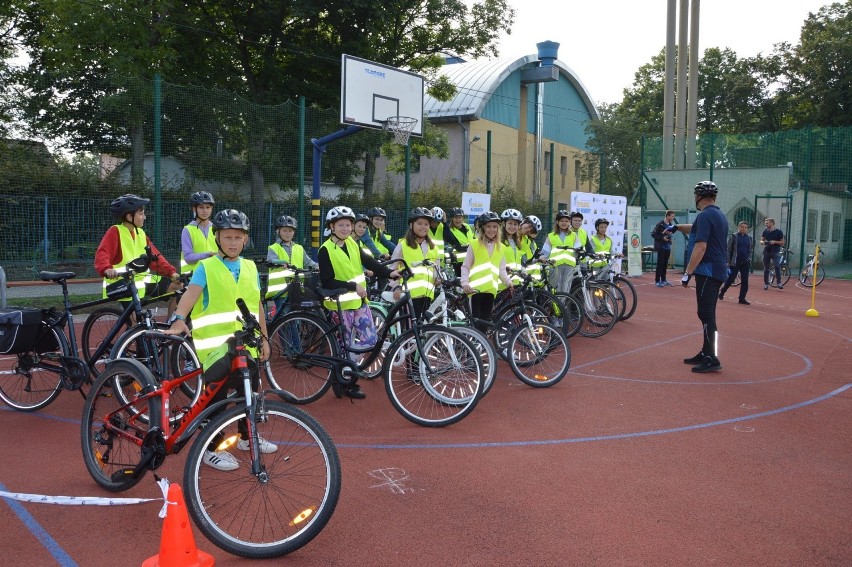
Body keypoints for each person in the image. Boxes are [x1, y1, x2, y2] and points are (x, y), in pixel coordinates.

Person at [165, 209, 274, 471]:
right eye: (227, 237)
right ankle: (211, 448)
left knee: (251, 391)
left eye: (238, 237)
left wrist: (265, 337)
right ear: (218, 239)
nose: (233, 242)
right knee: (216, 398)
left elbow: (256, 305)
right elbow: (191, 295)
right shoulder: (207, 266)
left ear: (245, 240)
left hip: (245, 344)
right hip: (215, 347)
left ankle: (248, 437)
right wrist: (179, 318)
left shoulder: (249, 267)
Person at [317, 206, 399, 399]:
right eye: (341, 225)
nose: (345, 228)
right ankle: (346, 382)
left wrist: (389, 273)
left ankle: (347, 372)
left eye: (348, 225)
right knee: (343, 347)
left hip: (359, 303)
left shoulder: (354, 245)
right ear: (332, 226)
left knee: (370, 340)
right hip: (339, 305)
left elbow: (370, 263)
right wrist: (353, 286)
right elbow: (327, 281)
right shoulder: (325, 250)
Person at [668, 181, 728, 373]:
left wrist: (687, 272)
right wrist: (676, 227)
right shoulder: (717, 214)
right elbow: (694, 228)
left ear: (698, 197)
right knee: (706, 313)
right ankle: (706, 351)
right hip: (716, 271)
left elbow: (701, 246)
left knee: (706, 314)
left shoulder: (705, 216)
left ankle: (712, 358)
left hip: (708, 272)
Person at [95, 193, 182, 308]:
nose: (144, 217)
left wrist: (171, 273)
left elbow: (155, 257)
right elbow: (102, 253)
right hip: (123, 284)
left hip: (142, 281)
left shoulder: (140, 233)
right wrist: (107, 269)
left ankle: (174, 323)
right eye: (141, 214)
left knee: (179, 287)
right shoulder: (115, 231)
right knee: (137, 324)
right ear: (129, 217)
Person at [460, 211, 513, 333]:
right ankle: (471, 350)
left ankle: (480, 350)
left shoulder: (501, 248)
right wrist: (465, 283)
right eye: (488, 226)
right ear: (483, 228)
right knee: (475, 324)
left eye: (495, 227)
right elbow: (466, 266)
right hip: (475, 291)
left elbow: (501, 270)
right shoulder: (474, 244)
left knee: (484, 325)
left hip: (490, 291)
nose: (492, 230)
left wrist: (508, 282)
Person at [389, 207, 440, 320]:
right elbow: (393, 269)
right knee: (410, 330)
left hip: (427, 295)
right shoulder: (403, 245)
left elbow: (436, 270)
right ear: (411, 225)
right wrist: (396, 287)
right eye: (419, 223)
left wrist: (438, 280)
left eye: (426, 224)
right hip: (408, 296)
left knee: (422, 330)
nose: (423, 227)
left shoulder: (434, 248)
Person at [266, 214, 317, 311]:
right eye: (285, 230)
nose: (288, 233)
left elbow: (308, 262)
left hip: (297, 289)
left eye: (290, 231)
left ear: (294, 232)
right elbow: (271, 260)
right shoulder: (273, 248)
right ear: (278, 231)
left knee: (296, 318)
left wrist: (318, 266)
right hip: (281, 291)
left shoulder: (299, 248)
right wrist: (280, 262)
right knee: (284, 318)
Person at [179, 191, 217, 275]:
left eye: (208, 207)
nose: (205, 211)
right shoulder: (187, 230)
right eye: (201, 207)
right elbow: (188, 258)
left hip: (213, 275)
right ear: (194, 209)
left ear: (211, 208)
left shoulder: (217, 229)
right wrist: (208, 254)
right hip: (192, 277)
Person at [719, 221, 754, 304]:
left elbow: (750, 250)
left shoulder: (749, 238)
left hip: (745, 262)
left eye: (745, 227)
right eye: (742, 227)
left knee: (745, 281)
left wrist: (749, 258)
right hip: (735, 262)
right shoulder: (734, 236)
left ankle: (742, 298)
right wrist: (728, 261)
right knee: (731, 279)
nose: (744, 228)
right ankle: (722, 292)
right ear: (738, 227)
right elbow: (729, 249)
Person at [444, 207, 475, 276]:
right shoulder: (449, 230)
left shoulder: (467, 226)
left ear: (463, 218)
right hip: (459, 263)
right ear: (452, 218)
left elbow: (473, 239)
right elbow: (457, 246)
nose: (458, 220)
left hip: (472, 260)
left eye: (460, 217)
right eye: (455, 218)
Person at [500, 208, 524, 289]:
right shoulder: (498, 241)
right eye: (510, 223)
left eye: (515, 224)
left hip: (514, 283)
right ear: (504, 224)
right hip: (501, 285)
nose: (512, 226)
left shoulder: (517, 242)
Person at [651, 210, 677, 287]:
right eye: (672, 216)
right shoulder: (660, 224)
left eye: (673, 216)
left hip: (667, 247)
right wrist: (662, 238)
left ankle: (663, 280)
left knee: (665, 264)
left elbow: (669, 234)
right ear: (667, 216)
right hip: (660, 246)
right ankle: (657, 281)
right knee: (660, 264)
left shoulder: (671, 225)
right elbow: (653, 234)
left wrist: (669, 239)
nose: (673, 217)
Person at [760, 217, 785, 290]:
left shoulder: (779, 232)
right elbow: (761, 240)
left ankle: (779, 283)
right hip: (767, 251)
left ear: (772, 223)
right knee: (766, 268)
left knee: (777, 265)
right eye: (765, 223)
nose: (766, 224)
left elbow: (782, 242)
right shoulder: (765, 231)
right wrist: (763, 242)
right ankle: (766, 283)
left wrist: (775, 242)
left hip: (775, 251)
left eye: (767, 223)